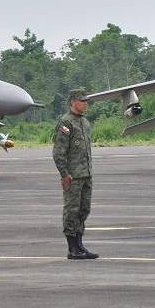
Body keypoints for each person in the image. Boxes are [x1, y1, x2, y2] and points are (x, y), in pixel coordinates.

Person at [52, 88, 97, 259]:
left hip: (86, 174)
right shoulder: (66, 123)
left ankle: (80, 245)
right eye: (82, 100)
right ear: (73, 102)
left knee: (84, 210)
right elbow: (58, 152)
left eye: (86, 101)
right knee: (71, 210)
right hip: (73, 176)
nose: (85, 104)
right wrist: (65, 174)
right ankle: (72, 248)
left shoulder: (85, 122)